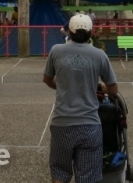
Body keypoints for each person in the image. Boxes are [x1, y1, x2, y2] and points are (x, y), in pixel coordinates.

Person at [43, 14, 118, 183]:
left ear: (69, 31)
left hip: (62, 123)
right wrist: (100, 87)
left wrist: (63, 86)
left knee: (59, 173)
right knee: (88, 176)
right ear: (91, 32)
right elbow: (113, 89)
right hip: (90, 124)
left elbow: (47, 79)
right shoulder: (99, 55)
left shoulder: (56, 51)